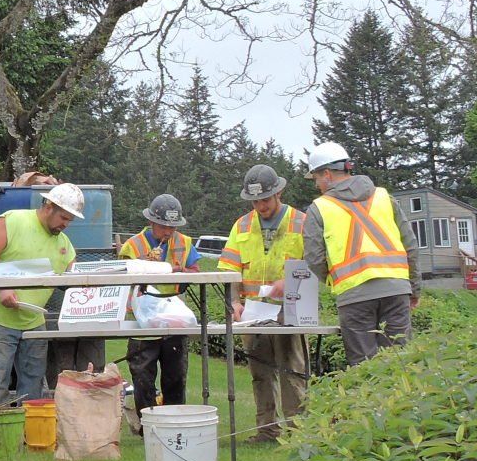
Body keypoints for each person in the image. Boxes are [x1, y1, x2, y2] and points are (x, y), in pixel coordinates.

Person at [299, 141, 419, 365]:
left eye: (315, 177)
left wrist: (336, 279)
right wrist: (414, 289)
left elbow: (314, 258)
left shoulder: (319, 208)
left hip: (355, 298)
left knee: (365, 369)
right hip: (397, 292)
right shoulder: (384, 197)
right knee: (401, 365)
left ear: (327, 174)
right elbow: (409, 245)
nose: (316, 185)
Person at [0, 182, 84, 408]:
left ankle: (31, 436)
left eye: (70, 220)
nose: (66, 224)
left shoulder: (64, 245)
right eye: (64, 217)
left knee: (33, 383)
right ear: (49, 206)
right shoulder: (12, 220)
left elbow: (72, 277)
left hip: (33, 321)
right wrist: (3, 287)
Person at [217, 165, 308, 443]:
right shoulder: (242, 225)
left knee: (292, 371)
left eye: (265, 200)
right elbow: (230, 269)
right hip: (253, 312)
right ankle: (267, 431)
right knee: (260, 373)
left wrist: (290, 283)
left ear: (279, 193)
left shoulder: (301, 222)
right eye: (255, 201)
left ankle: (298, 432)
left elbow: (316, 265)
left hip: (291, 309)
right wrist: (234, 302)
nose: (260, 206)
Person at [118, 193, 200, 431]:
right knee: (143, 375)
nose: (168, 231)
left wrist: (182, 272)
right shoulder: (133, 245)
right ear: (152, 221)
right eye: (164, 226)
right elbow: (122, 276)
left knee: (175, 375)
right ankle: (148, 426)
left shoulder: (184, 242)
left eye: (173, 227)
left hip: (173, 319)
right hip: (142, 322)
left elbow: (195, 270)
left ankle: (174, 424)